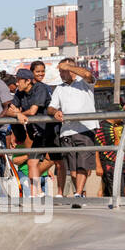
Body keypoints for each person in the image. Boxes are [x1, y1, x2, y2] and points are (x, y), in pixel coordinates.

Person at [47, 58, 97, 198]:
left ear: (72, 70)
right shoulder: (59, 88)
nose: (61, 74)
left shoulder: (84, 83)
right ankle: (80, 193)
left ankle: (78, 193)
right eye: (60, 71)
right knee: (73, 169)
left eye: (64, 71)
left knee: (83, 165)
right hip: (67, 131)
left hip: (85, 129)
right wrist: (55, 112)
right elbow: (50, 107)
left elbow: (88, 75)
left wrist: (69, 66)